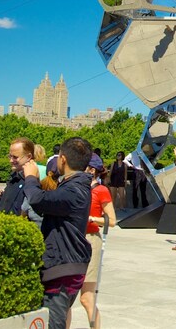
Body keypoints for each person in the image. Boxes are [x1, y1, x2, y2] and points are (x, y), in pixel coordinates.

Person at [22, 137, 94, 329]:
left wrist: (30, 177)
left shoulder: (74, 189)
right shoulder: (76, 186)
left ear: (62, 159)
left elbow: (37, 199)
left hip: (63, 268)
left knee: (53, 323)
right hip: (66, 265)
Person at [79, 155, 117, 327]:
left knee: (87, 298)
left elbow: (112, 220)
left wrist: (92, 218)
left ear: (91, 170)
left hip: (90, 240)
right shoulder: (76, 187)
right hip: (73, 239)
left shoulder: (101, 190)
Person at [0, 137, 33, 215]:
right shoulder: (14, 176)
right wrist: (2, 198)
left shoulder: (31, 180)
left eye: (15, 157)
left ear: (28, 157)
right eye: (10, 156)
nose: (11, 160)